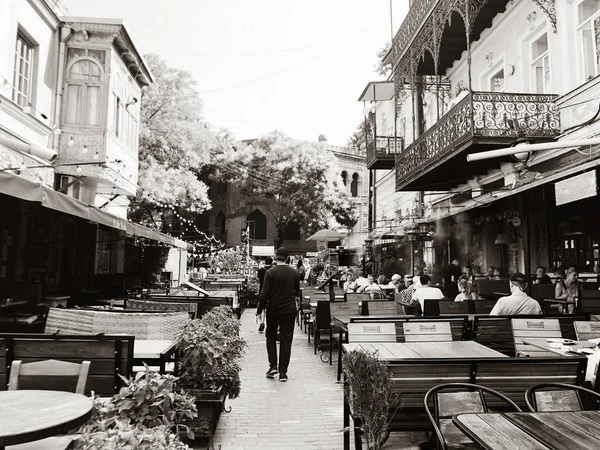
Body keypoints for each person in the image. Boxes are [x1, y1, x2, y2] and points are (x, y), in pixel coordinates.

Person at [256, 247, 299, 382]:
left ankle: (273, 365)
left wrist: (259, 310)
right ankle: (283, 373)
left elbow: (264, 295)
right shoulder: (294, 273)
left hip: (273, 310)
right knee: (286, 339)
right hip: (289, 310)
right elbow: (297, 292)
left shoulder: (270, 273)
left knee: (270, 336)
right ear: (287, 258)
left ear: (275, 258)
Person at [256, 257, 274, 332]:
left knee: (262, 307)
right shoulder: (273, 271)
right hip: (271, 292)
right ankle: (270, 324)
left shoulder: (261, 270)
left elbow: (258, 280)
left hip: (262, 291)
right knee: (270, 308)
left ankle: (262, 322)